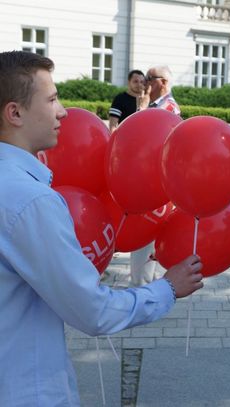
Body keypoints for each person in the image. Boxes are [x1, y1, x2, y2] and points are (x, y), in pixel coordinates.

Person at [0, 50, 204, 405]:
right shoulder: (31, 201)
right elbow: (92, 311)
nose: (63, 112)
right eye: (51, 99)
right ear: (14, 113)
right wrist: (167, 288)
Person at [129, 65, 181, 287]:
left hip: (155, 183)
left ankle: (141, 287)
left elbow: (142, 136)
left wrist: (141, 109)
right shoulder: (154, 106)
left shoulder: (167, 108)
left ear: (164, 83)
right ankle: (146, 284)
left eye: (150, 78)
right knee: (146, 236)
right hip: (148, 179)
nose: (145, 82)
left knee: (145, 233)